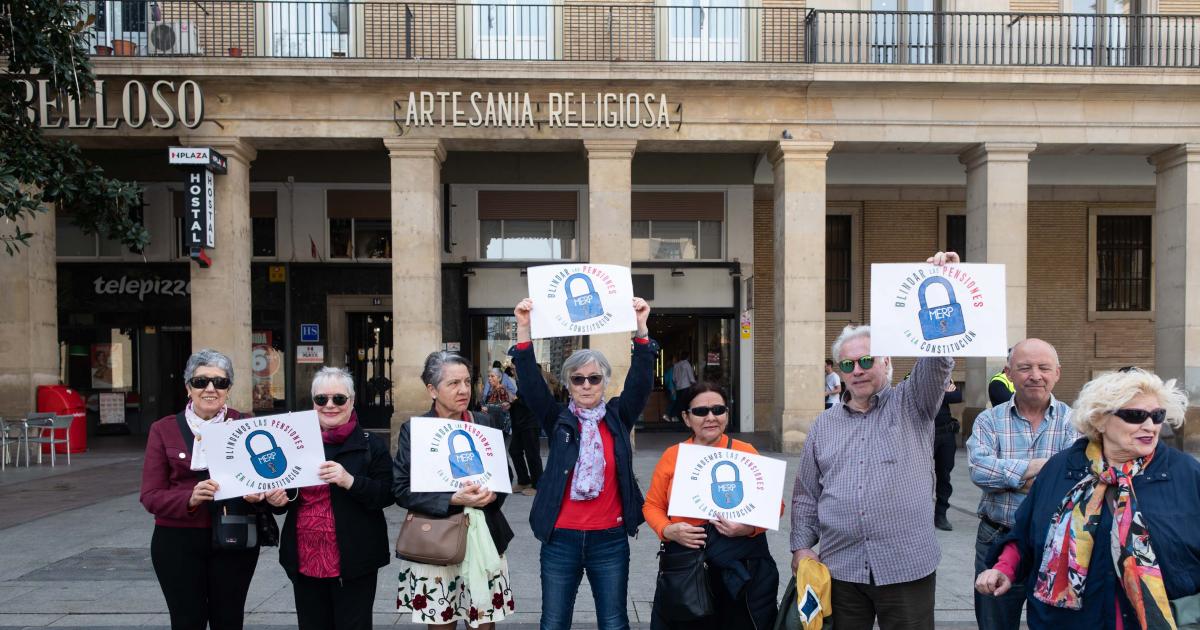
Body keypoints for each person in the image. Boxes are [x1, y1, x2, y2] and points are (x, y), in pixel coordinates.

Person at [790, 250, 958, 630]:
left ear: (885, 361)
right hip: (842, 568)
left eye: (867, 360)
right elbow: (805, 494)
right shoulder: (823, 425)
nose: (859, 370)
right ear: (839, 372)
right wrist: (801, 546)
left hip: (905, 567)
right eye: (848, 364)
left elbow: (938, 360)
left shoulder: (914, 402)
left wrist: (945, 283)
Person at [975, 368, 1200, 629]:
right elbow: (1026, 534)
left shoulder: (1184, 474)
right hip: (1071, 621)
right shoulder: (1062, 469)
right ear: (1100, 420)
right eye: (1135, 416)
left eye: (1156, 415)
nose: (1149, 426)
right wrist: (1003, 568)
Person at [510, 296, 655, 630]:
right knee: (554, 623)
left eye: (594, 378)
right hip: (561, 539)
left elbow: (641, 382)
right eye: (578, 379)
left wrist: (641, 328)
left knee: (615, 622)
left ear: (604, 381)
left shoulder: (618, 416)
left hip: (610, 539)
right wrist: (523, 329)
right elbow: (531, 387)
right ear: (568, 384)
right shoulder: (557, 419)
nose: (587, 385)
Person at [139, 348, 268, 630]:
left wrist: (261, 495)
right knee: (187, 620)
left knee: (229, 620)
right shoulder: (164, 429)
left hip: (234, 535)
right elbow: (150, 495)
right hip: (177, 541)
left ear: (228, 389)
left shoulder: (247, 424)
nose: (210, 389)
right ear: (188, 388)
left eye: (220, 382)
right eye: (201, 382)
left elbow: (268, 478)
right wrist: (189, 497)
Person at [642, 382, 779, 629]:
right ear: (686, 418)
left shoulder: (745, 452)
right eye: (701, 412)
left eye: (718, 409)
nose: (711, 417)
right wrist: (667, 530)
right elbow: (652, 505)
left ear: (727, 414)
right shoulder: (673, 455)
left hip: (740, 567)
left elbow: (774, 507)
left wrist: (748, 528)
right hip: (688, 568)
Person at [394, 351, 516, 628]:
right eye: (453, 383)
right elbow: (401, 488)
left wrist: (493, 495)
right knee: (441, 621)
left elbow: (504, 475)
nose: (463, 390)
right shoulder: (415, 430)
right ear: (431, 389)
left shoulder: (483, 423)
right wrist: (450, 499)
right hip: (436, 538)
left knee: (484, 621)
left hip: (484, 536)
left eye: (467, 381)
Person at [266, 367, 393, 630]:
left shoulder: (372, 445)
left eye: (339, 398)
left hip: (355, 560)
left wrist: (351, 481)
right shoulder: (293, 444)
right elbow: (286, 494)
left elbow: (388, 494)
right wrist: (277, 501)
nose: (330, 405)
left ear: (352, 401)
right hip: (305, 558)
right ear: (313, 403)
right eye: (321, 399)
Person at [967, 338, 1079, 630]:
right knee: (995, 623)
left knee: (1055, 624)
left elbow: (1073, 481)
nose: (1035, 375)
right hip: (996, 538)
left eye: (1044, 367)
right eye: (1025, 367)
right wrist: (1038, 470)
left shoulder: (1075, 422)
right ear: (1009, 373)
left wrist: (1008, 477)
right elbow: (979, 470)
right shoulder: (988, 420)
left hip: (1058, 544)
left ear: (1057, 372)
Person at [934, 380, 963, 531]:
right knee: (921, 476)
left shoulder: (945, 377)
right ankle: (921, 514)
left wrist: (940, 392)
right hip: (926, 435)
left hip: (946, 434)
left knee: (944, 475)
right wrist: (944, 392)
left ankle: (940, 514)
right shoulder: (912, 376)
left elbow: (957, 396)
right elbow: (925, 398)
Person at [508, 371, 542, 496]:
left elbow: (531, 402)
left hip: (530, 422)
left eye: (514, 368)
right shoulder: (521, 381)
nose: (513, 371)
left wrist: (514, 399)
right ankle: (523, 481)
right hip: (519, 423)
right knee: (514, 450)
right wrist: (511, 404)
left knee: (532, 453)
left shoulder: (532, 381)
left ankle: (538, 484)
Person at [670, 350, 696, 422]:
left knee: (679, 403)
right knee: (685, 403)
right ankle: (684, 419)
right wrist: (695, 383)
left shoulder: (676, 365)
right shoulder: (687, 364)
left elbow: (674, 378)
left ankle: (677, 417)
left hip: (678, 387)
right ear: (688, 357)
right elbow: (691, 378)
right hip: (686, 387)